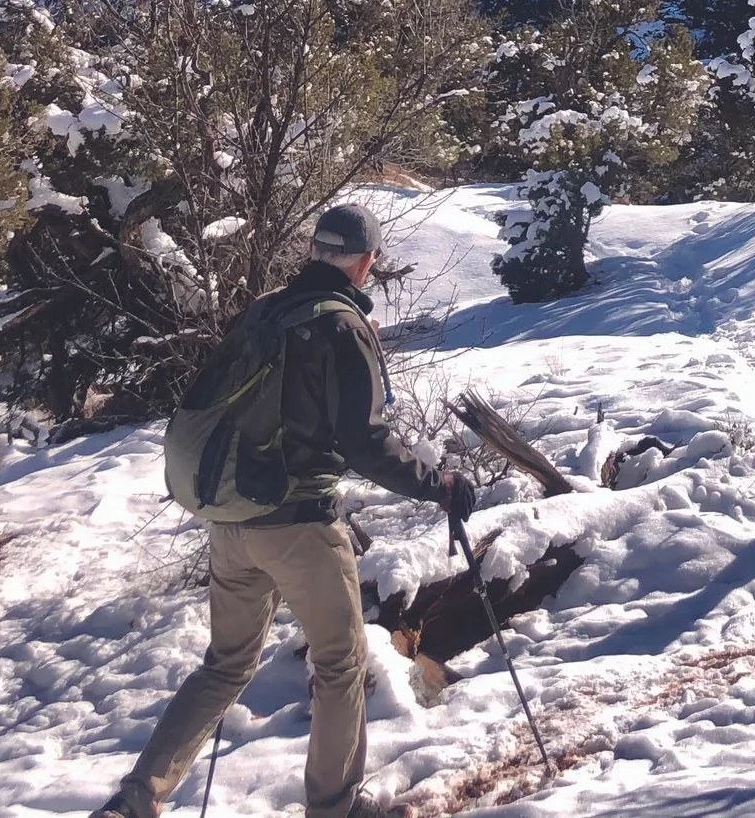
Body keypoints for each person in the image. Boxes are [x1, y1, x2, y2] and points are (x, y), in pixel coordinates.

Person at [99, 205, 476, 818]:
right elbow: (365, 441)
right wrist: (439, 484)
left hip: (230, 521)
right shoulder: (340, 325)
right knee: (340, 664)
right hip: (299, 524)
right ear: (366, 261)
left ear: (315, 252)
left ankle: (137, 799)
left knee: (224, 666)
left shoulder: (266, 311)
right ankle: (334, 807)